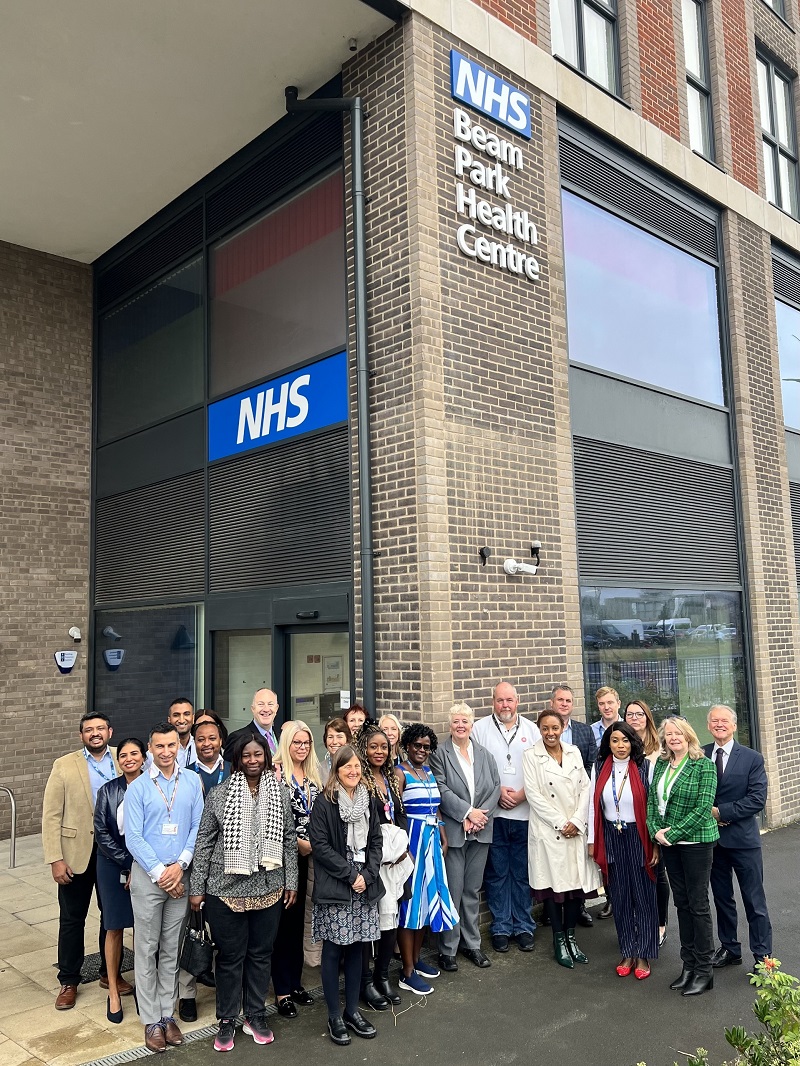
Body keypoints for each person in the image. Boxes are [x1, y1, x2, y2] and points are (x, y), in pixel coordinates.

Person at [189, 733, 298, 1052]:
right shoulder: (219, 794)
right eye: (247, 755)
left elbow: (289, 839)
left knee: (261, 954)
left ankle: (255, 1015)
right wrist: (197, 888)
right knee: (230, 957)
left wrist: (290, 880)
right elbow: (205, 843)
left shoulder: (279, 792)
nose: (253, 760)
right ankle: (226, 1018)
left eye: (258, 755)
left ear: (266, 757)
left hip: (269, 889)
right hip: (225, 891)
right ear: (237, 759)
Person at [125, 722, 204, 1053]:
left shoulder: (191, 782)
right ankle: (150, 1020)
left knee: (172, 948)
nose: (167, 752)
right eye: (160, 747)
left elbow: (198, 825)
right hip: (149, 877)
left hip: (180, 875)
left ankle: (166, 1013)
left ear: (179, 747)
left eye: (172, 746)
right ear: (150, 749)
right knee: (146, 948)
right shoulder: (139, 788)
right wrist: (161, 873)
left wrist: (180, 866)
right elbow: (133, 837)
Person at [42, 712, 127, 1010]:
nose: (95, 733)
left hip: (112, 854)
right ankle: (69, 980)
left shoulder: (125, 757)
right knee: (72, 918)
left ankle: (109, 973)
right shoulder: (64, 765)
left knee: (112, 916)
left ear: (110, 731)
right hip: (76, 853)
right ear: (81, 736)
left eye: (100, 728)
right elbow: (51, 816)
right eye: (89, 730)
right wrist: (55, 858)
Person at [309, 744, 384, 1046]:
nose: (353, 771)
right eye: (347, 767)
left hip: (364, 881)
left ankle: (352, 1011)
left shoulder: (368, 800)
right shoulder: (324, 803)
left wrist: (367, 875)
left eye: (357, 767)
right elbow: (321, 846)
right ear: (336, 771)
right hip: (339, 883)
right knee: (334, 950)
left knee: (358, 949)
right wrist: (351, 875)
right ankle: (334, 1015)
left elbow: (377, 839)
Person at [646, 717, 719, 997]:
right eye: (669, 734)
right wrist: (656, 831)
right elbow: (653, 802)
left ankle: (704, 970)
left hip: (696, 843)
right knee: (683, 904)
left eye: (678, 733)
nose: (673, 737)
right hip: (668, 843)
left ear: (689, 736)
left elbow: (703, 809)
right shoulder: (662, 764)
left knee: (698, 905)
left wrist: (672, 833)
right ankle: (688, 966)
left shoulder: (704, 766)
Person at [523, 710, 601, 969]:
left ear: (562, 727)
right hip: (549, 832)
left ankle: (571, 937)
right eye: (545, 728)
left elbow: (585, 787)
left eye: (555, 728)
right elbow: (534, 796)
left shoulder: (574, 752)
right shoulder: (530, 756)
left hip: (575, 830)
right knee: (555, 891)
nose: (550, 733)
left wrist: (577, 821)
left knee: (575, 890)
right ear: (539, 729)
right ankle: (559, 941)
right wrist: (560, 822)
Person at [430, 702, 501, 971]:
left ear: (472, 725)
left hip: (480, 831)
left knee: (471, 891)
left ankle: (472, 945)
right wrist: (467, 814)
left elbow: (495, 787)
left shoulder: (484, 754)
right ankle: (447, 949)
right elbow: (441, 788)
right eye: (456, 721)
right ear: (450, 725)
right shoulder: (440, 753)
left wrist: (480, 817)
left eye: (465, 721)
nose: (461, 725)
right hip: (455, 831)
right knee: (453, 891)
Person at [471, 681, 540, 951]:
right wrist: (496, 790)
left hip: (524, 813)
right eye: (500, 700)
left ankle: (523, 925)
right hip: (494, 814)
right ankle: (500, 926)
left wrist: (523, 794)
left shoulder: (532, 729)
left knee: (522, 873)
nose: (505, 705)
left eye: (509, 700)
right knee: (497, 873)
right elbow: (474, 768)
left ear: (518, 701)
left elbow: (538, 769)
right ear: (493, 702)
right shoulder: (479, 729)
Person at [703, 705, 772, 969]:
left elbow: (757, 799)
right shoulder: (700, 755)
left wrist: (721, 812)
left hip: (744, 841)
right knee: (722, 899)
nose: (719, 724)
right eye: (714, 721)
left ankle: (763, 956)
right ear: (709, 726)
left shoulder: (752, 758)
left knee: (754, 901)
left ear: (734, 726)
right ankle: (730, 948)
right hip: (712, 842)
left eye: (724, 721)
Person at [588, 723, 659, 980]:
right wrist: (592, 840)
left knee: (643, 896)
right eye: (615, 740)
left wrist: (654, 844)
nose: (620, 745)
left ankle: (644, 953)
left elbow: (653, 807)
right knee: (619, 896)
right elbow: (591, 805)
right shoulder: (599, 768)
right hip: (611, 835)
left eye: (625, 740)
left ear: (633, 742)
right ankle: (627, 950)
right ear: (608, 742)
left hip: (639, 836)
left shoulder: (644, 768)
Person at [396, 723, 458, 994]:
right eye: (416, 746)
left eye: (426, 747)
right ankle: (406, 970)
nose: (421, 750)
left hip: (432, 842)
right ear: (406, 746)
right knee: (409, 905)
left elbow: (437, 808)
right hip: (412, 844)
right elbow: (395, 813)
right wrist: (402, 848)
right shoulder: (400, 773)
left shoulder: (428, 771)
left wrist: (443, 834)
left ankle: (418, 960)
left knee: (425, 902)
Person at [357, 724, 411, 1008]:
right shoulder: (360, 781)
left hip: (396, 860)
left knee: (391, 921)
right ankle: (365, 982)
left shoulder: (391, 778)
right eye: (373, 746)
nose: (379, 751)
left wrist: (405, 851)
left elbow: (399, 816)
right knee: (370, 921)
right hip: (373, 860)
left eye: (384, 747)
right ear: (363, 749)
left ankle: (382, 976)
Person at [93, 736, 146, 1022]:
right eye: (123, 755)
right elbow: (101, 832)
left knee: (142, 926)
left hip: (144, 864)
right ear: (118, 760)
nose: (128, 758)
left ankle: (143, 987)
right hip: (112, 864)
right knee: (113, 926)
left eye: (134, 753)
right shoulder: (108, 790)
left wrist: (140, 865)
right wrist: (128, 863)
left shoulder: (152, 787)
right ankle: (113, 989)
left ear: (142, 757)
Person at [271, 721, 322, 1018]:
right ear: (286, 744)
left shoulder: (313, 773)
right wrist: (297, 843)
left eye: (306, 743)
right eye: (297, 743)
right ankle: (281, 991)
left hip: (312, 857)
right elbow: (273, 817)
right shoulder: (276, 772)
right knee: (284, 926)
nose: (302, 748)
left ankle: (295, 982)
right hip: (285, 858)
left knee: (301, 921)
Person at [550, 684, 601, 923]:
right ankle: (554, 911)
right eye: (560, 700)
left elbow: (591, 764)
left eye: (568, 700)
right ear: (552, 703)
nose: (564, 704)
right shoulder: (544, 730)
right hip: (554, 806)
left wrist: (583, 795)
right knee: (557, 860)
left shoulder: (584, 731)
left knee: (578, 859)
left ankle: (579, 908)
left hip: (579, 802)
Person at [625, 699, 670, 945]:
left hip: (655, 819)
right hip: (628, 820)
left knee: (657, 872)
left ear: (647, 717)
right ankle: (637, 921)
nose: (634, 718)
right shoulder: (621, 744)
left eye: (639, 714)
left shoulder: (660, 748)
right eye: (630, 714)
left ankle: (660, 924)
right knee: (634, 875)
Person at [224, 689, 280, 761]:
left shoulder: (283, 735)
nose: (266, 709)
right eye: (261, 704)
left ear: (276, 708)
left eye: (270, 704)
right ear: (253, 709)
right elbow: (229, 768)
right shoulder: (238, 738)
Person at [188, 718, 231, 797]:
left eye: (212, 738)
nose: (207, 744)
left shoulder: (234, 770)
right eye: (201, 740)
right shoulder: (185, 774)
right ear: (194, 743)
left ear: (220, 741)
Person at [168, 698, 196, 769]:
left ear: (193, 718)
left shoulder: (200, 746)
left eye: (186, 714)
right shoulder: (157, 751)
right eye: (176, 715)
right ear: (169, 720)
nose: (181, 720)